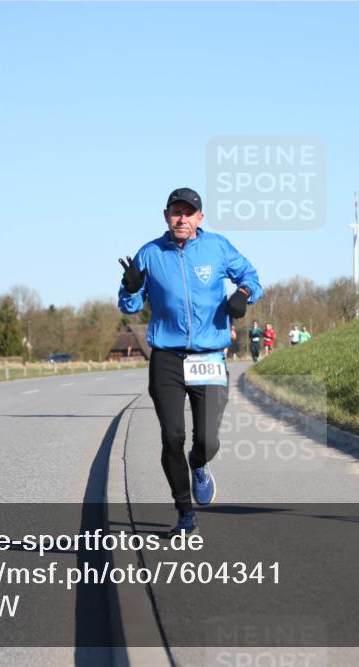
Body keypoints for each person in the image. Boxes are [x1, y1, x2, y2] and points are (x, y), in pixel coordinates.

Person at [118, 187, 262, 536]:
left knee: (207, 440)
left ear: (200, 217)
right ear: (166, 216)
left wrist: (243, 295)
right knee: (172, 436)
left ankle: (198, 464)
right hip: (167, 357)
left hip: (209, 356)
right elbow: (130, 307)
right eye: (175, 212)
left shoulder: (218, 247)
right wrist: (131, 287)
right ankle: (185, 514)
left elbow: (252, 278)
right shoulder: (150, 253)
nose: (181, 218)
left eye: (188, 212)